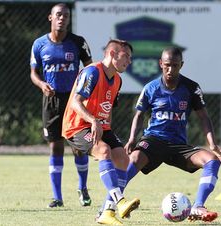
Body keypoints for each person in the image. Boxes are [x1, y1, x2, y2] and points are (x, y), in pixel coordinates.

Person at [109, 46, 221, 222]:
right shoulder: (151, 88)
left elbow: (204, 117)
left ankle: (198, 206)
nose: (170, 70)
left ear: (182, 65)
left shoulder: (191, 88)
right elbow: (139, 115)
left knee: (212, 160)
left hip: (178, 145)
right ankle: (108, 207)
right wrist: (133, 139)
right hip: (153, 140)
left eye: (175, 65)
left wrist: (212, 145)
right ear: (160, 64)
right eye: (167, 65)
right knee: (132, 160)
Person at [62, 39, 140, 225]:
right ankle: (120, 202)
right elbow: (75, 102)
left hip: (100, 125)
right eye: (126, 56)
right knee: (104, 150)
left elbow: (109, 108)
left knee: (122, 157)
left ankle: (107, 213)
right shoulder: (92, 72)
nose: (129, 61)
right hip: (77, 126)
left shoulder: (118, 80)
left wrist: (105, 127)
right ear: (112, 54)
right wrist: (94, 121)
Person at [30, 3, 92, 208]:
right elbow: (34, 72)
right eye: (58, 15)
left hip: (74, 101)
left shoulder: (78, 42)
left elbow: (90, 68)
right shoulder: (39, 44)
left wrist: (84, 90)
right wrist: (41, 84)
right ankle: (57, 197)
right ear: (50, 18)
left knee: (79, 148)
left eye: (66, 15)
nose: (62, 18)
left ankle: (83, 189)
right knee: (56, 147)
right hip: (52, 101)